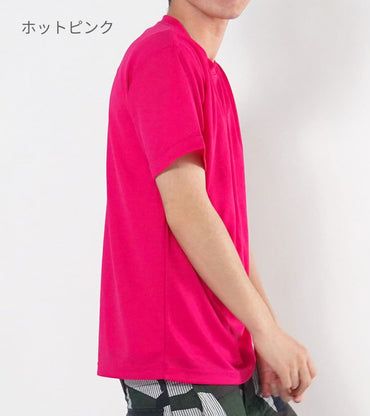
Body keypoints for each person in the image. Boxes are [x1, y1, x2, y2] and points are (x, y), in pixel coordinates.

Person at [97, 0, 317, 414]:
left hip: (224, 349)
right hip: (179, 352)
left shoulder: (209, 74)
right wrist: (265, 330)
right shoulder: (164, 55)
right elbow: (187, 206)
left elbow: (228, 231)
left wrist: (263, 333)